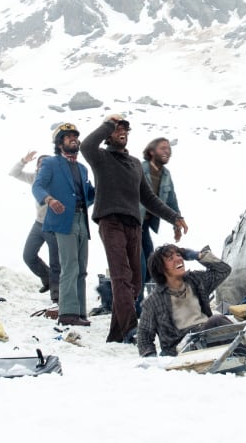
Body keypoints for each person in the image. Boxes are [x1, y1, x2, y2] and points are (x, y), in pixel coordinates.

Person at [81, 114, 188, 343]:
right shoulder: (100, 157)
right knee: (121, 277)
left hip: (133, 225)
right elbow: (87, 145)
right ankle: (132, 329)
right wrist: (108, 123)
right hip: (111, 222)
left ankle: (117, 334)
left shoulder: (134, 165)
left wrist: (174, 217)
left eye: (125, 130)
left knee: (136, 282)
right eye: (118, 129)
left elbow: (148, 197)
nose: (122, 133)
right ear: (109, 135)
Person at [33, 123, 96, 326]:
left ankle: (80, 312)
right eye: (68, 137)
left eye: (75, 136)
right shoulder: (51, 163)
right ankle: (68, 313)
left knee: (82, 268)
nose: (73, 139)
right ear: (60, 143)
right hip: (63, 221)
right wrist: (50, 200)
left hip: (81, 220)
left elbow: (89, 195)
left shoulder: (83, 168)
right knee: (70, 265)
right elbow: (38, 186)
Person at [136, 245, 232, 357]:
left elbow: (224, 270)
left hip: (207, 333)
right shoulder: (153, 300)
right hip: (182, 347)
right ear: (161, 269)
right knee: (217, 320)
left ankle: (245, 350)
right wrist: (150, 357)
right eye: (170, 259)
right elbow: (144, 334)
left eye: (179, 255)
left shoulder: (195, 281)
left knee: (224, 324)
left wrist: (197, 255)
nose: (178, 259)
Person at [9, 149, 60, 302]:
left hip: (54, 226)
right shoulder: (35, 178)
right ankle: (48, 279)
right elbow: (14, 173)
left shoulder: (57, 179)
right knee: (28, 256)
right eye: (40, 164)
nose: (42, 166)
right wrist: (24, 160)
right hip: (38, 224)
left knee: (56, 261)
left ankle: (57, 296)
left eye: (46, 164)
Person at [137, 137, 182, 310]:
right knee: (140, 264)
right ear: (151, 152)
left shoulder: (166, 174)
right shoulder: (139, 168)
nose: (167, 151)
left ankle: (143, 300)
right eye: (162, 148)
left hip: (146, 225)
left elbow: (171, 200)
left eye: (168, 148)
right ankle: (136, 307)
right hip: (134, 223)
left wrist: (176, 222)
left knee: (150, 264)